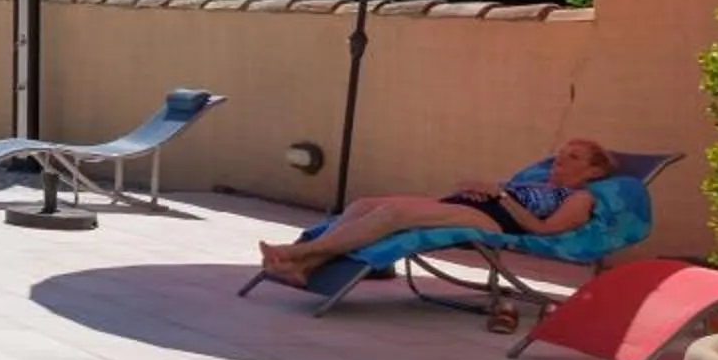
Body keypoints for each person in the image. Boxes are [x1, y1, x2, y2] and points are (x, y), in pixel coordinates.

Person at [256, 138, 617, 285]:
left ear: (594, 172)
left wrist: (501, 197)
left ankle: (295, 253)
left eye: (573, 157)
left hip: (495, 221)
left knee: (390, 220)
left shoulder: (580, 199)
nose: (560, 159)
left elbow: (542, 230)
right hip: (471, 204)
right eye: (561, 152)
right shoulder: (540, 185)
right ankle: (306, 267)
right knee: (366, 205)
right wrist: (477, 188)